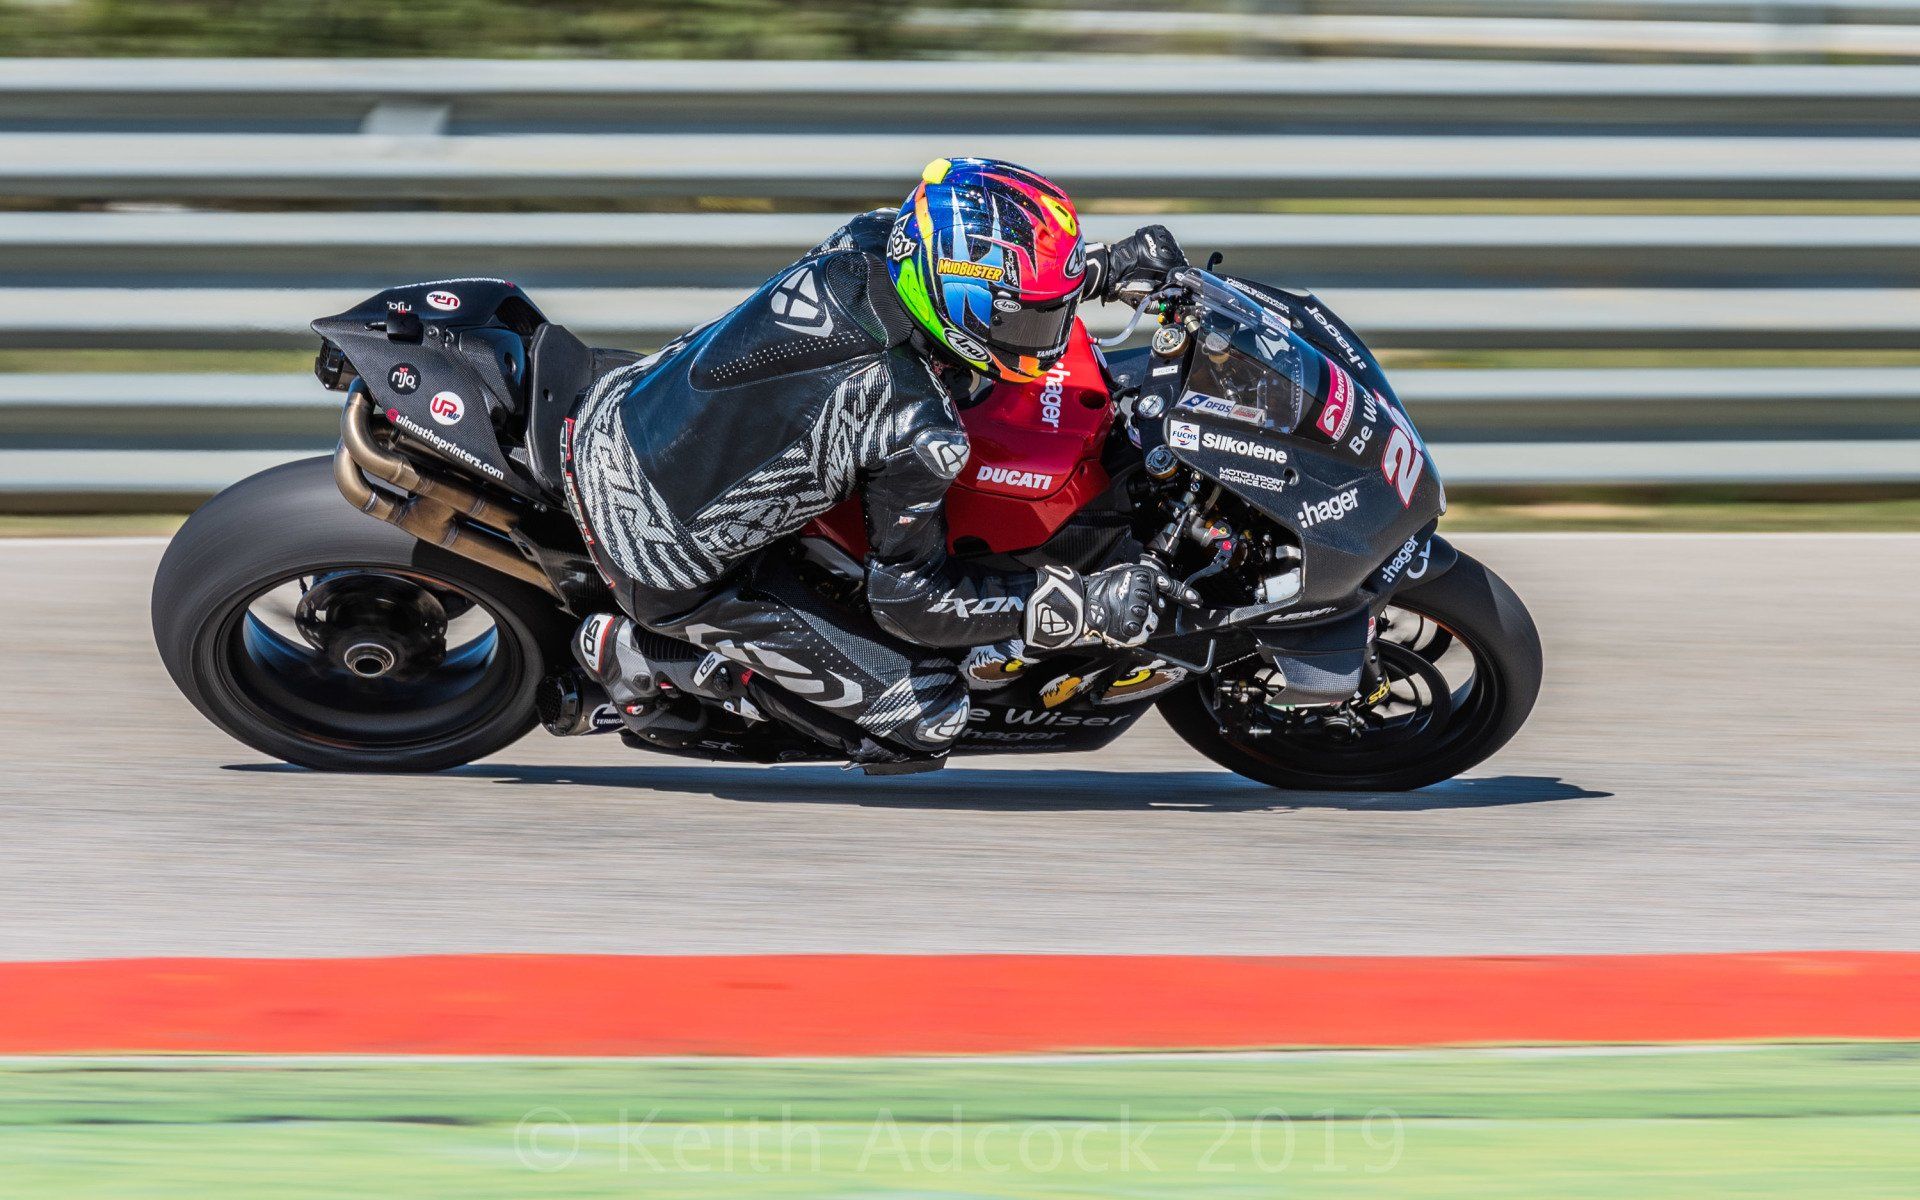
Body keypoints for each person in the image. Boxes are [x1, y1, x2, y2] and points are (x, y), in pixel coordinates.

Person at [563, 157, 1189, 769]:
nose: (1048, 334)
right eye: (1034, 316)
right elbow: (909, 602)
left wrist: (1099, 269)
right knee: (928, 714)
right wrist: (1075, 604)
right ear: (965, 305)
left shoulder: (873, 236)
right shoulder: (914, 424)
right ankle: (642, 658)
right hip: (660, 551)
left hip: (622, 410)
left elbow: (991, 266)